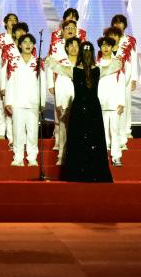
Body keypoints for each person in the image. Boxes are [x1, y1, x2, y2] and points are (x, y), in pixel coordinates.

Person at [48, 41, 114, 183]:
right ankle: (77, 173)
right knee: (78, 138)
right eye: (85, 52)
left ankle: (94, 173)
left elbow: (115, 66)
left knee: (94, 139)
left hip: (93, 109)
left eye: (89, 52)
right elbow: (58, 68)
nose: (87, 54)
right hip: (79, 109)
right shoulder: (74, 70)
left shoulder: (98, 70)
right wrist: (50, 61)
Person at [4, 33, 48, 166]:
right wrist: (8, 101)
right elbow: (9, 82)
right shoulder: (13, 61)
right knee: (18, 131)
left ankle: (32, 157)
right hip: (17, 101)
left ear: (34, 45)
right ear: (20, 45)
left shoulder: (38, 62)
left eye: (30, 42)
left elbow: (42, 83)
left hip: (33, 102)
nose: (28, 45)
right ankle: (18, 157)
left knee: (33, 132)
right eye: (25, 42)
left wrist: (42, 102)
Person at [46, 36, 79, 165]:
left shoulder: (83, 64)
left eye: (76, 45)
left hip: (79, 103)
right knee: (63, 129)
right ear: (66, 48)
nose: (74, 48)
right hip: (65, 102)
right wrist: (59, 103)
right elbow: (59, 84)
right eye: (71, 45)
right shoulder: (61, 64)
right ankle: (61, 156)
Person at [96, 35, 126, 166]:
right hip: (100, 102)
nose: (105, 48)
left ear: (112, 47)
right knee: (101, 131)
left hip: (114, 102)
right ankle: (102, 156)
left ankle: (116, 156)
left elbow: (121, 83)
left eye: (108, 45)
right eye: (103, 45)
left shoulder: (118, 63)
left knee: (115, 130)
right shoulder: (96, 64)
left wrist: (121, 102)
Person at [108, 15, 139, 145]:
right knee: (113, 105)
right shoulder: (108, 40)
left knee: (126, 104)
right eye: (115, 23)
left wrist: (134, 78)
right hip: (111, 78)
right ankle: (113, 131)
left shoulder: (130, 41)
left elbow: (134, 60)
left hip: (126, 77)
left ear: (124, 25)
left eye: (120, 23)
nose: (118, 25)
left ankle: (127, 130)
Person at [0, 14, 19, 140]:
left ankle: (14, 132)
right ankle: (1, 131)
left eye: (15, 20)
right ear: (5, 23)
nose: (13, 22)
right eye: (10, 20)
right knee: (2, 103)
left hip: (17, 76)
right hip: (4, 76)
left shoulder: (21, 38)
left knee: (16, 104)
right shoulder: (0, 38)